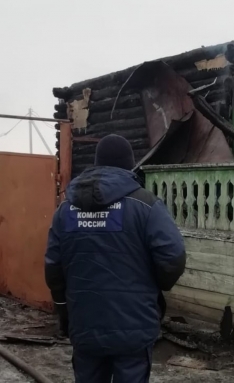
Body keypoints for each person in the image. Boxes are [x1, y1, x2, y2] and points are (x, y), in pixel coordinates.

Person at [44, 134, 186, 383]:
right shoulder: (146, 205)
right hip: (134, 326)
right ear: (129, 165)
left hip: (84, 325)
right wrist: (156, 286)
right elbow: (173, 257)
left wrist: (64, 309)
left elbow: (53, 267)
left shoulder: (66, 210)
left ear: (96, 164)